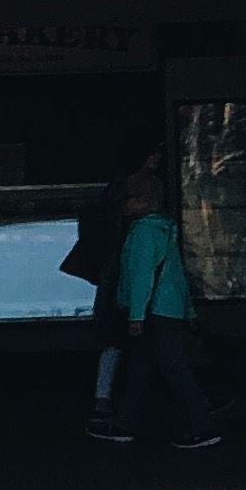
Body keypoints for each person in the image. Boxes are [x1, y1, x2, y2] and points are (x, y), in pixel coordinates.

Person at [89, 156, 220, 453]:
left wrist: (135, 316)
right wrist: (189, 312)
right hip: (169, 311)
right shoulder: (166, 231)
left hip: (151, 313)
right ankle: (125, 425)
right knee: (144, 368)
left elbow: (140, 277)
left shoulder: (142, 234)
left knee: (169, 369)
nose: (124, 205)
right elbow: (175, 278)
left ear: (143, 201)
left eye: (129, 199)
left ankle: (202, 427)